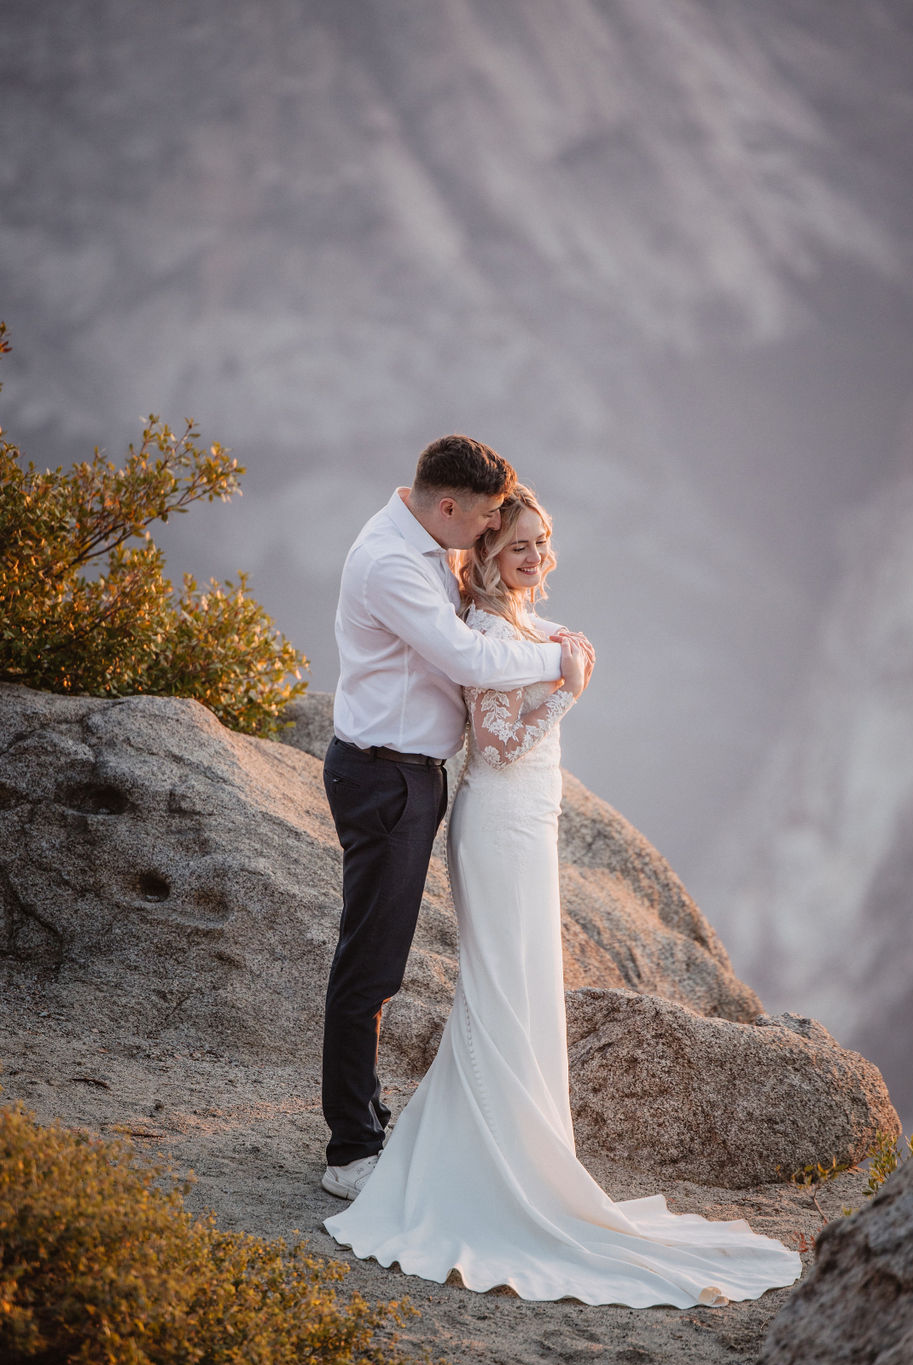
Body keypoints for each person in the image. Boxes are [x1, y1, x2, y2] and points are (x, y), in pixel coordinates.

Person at [324, 486, 803, 1309]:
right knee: (502, 983)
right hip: (500, 819)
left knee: (528, 983)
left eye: (543, 543)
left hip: (528, 821)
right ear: (484, 551)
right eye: (519, 548)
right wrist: (566, 683)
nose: (537, 559)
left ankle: (515, 1141)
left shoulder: (510, 616)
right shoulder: (478, 627)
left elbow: (532, 642)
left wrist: (558, 640)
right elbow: (500, 739)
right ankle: (465, 1154)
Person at [321, 436, 572, 1201]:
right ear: (449, 507)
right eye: (490, 519)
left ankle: (369, 1121)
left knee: (379, 959)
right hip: (384, 776)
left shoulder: (430, 540)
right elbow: (468, 657)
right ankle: (350, 1152)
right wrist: (562, 662)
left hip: (412, 776)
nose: (491, 534)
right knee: (371, 966)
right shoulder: (391, 563)